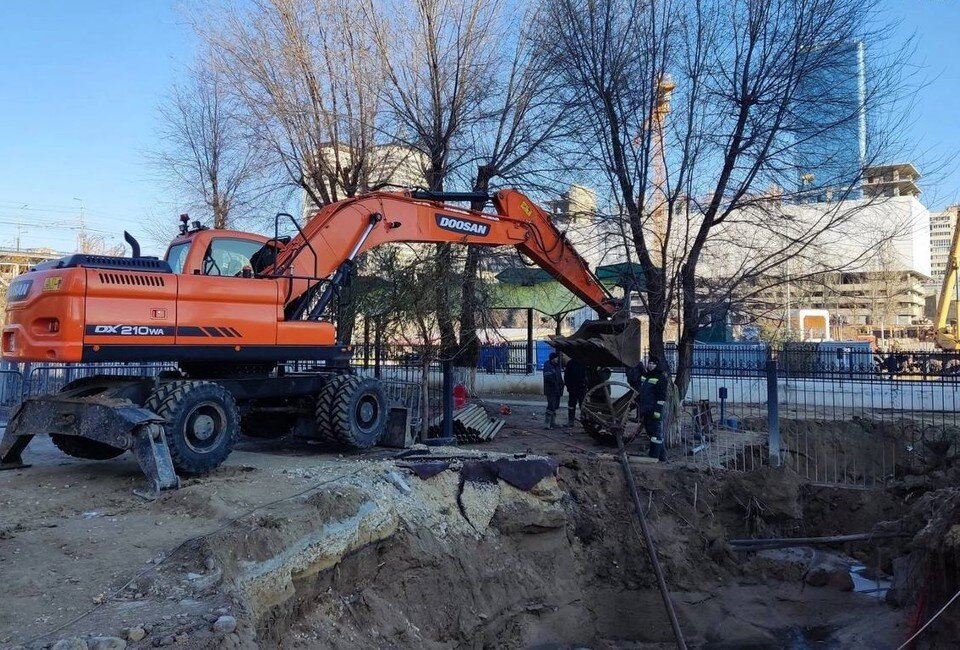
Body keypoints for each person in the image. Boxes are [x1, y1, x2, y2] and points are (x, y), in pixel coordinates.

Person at [636, 356, 669, 461]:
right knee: (651, 433)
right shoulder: (645, 377)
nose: (651, 365)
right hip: (646, 409)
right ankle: (662, 457)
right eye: (650, 363)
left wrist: (657, 411)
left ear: (657, 365)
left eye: (653, 364)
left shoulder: (661, 378)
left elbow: (661, 397)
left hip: (655, 410)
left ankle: (654, 456)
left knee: (656, 434)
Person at [542, 352, 564, 429]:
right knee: (551, 406)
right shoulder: (547, 365)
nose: (557, 359)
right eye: (556, 358)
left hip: (557, 390)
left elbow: (559, 377)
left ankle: (553, 423)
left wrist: (561, 386)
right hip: (550, 390)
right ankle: (547, 424)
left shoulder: (557, 366)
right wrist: (555, 384)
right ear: (552, 359)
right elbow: (548, 377)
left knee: (555, 406)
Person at [563, 357, 587, 426]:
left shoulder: (583, 363)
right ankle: (571, 421)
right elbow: (566, 376)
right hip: (573, 389)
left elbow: (586, 375)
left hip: (581, 389)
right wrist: (568, 386)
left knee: (582, 406)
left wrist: (584, 384)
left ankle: (584, 422)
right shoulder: (570, 363)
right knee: (571, 405)